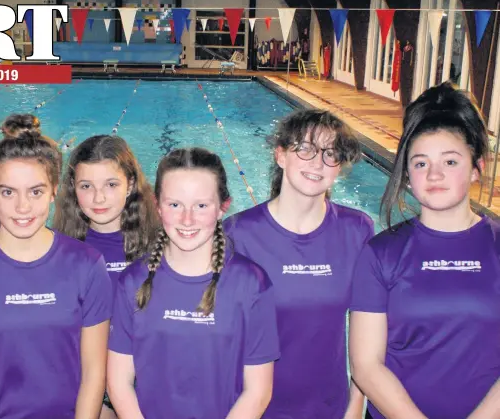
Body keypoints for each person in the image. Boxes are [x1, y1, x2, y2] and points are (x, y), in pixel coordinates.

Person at [0, 130, 112, 419]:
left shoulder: (87, 265)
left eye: (36, 191)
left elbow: (94, 373)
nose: (23, 207)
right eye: (8, 192)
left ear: (54, 191)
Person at [349, 82, 500, 419]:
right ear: (407, 174)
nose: (434, 174)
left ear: (477, 168)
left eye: (450, 161)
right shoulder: (380, 253)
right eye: (420, 164)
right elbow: (366, 366)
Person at [107, 147, 279, 419]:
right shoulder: (133, 282)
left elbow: (257, 392)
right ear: (158, 205)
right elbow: (118, 382)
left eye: (201, 205)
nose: (187, 219)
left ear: (223, 207)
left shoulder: (251, 284)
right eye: (175, 204)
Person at [224, 109, 374, 419]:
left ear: (339, 167)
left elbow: (367, 335)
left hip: (330, 408)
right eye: (305, 149)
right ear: (281, 155)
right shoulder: (238, 233)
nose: (317, 163)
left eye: (330, 153)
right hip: (252, 409)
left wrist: (355, 407)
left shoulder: (357, 229)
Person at [54, 134, 159, 419]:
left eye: (111, 185)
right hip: (86, 388)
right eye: (86, 186)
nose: (98, 198)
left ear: (131, 185)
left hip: (148, 384)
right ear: (72, 189)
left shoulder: (161, 245)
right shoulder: (57, 249)